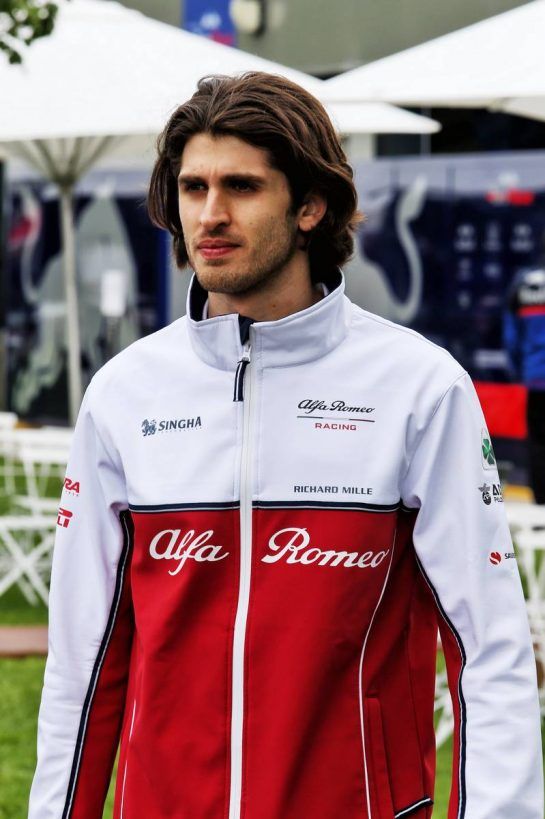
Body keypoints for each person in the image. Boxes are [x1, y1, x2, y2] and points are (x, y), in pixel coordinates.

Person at [29, 73, 542, 819]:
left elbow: (487, 648)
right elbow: (82, 658)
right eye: (193, 186)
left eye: (241, 186)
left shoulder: (419, 387)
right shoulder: (122, 393)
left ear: (309, 205)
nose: (210, 214)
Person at [504, 265, 545, 504]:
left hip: (536, 377)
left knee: (539, 439)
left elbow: (511, 337)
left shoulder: (523, 284)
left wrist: (520, 372)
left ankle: (541, 498)